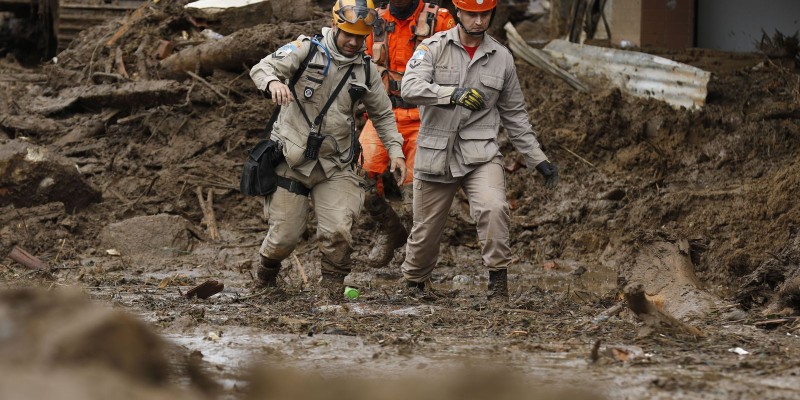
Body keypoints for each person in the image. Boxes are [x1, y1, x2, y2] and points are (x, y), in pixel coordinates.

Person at [398, 0, 559, 301]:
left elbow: (515, 115)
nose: (478, 20)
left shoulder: (502, 57)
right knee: (426, 230)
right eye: (472, 14)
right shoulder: (433, 48)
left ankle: (498, 284)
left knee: (494, 208)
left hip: (480, 154)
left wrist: (538, 159)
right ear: (459, 12)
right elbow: (409, 87)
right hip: (436, 153)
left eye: (484, 14)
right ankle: (414, 283)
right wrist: (451, 94)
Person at [249, 0, 407, 296]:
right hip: (291, 160)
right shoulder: (306, 50)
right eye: (348, 34)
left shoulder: (366, 70)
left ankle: (332, 292)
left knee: (337, 232)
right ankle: (265, 279)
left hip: (337, 163)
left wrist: (396, 152)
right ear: (335, 25)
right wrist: (273, 83)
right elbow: (262, 67)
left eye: (361, 37)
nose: (354, 42)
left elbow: (383, 114)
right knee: (284, 237)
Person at [358, 0, 455, 268]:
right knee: (361, 184)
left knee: (418, 195)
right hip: (382, 114)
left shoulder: (441, 21)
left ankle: (417, 252)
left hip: (425, 116)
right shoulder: (371, 21)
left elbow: (459, 66)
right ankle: (390, 230)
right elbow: (356, 64)